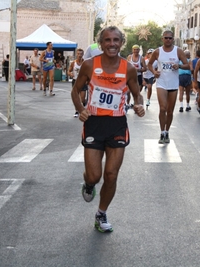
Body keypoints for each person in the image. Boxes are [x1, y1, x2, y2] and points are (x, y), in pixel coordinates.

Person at [70, 26, 145, 233]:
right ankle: (88, 184)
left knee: (111, 174)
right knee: (94, 176)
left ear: (122, 43)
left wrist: (139, 105)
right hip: (94, 123)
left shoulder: (128, 68)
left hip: (117, 124)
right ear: (100, 43)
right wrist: (80, 109)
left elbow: (137, 94)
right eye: (107, 40)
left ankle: (101, 214)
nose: (112, 44)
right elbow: (76, 91)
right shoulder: (89, 65)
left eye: (116, 40)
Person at [147, 30, 189, 143]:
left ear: (173, 39)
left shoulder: (178, 51)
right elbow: (149, 64)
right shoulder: (157, 51)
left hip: (173, 84)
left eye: (170, 38)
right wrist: (154, 72)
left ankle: (167, 132)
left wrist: (179, 65)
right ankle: (161, 132)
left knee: (170, 111)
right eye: (166, 38)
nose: (168, 40)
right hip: (161, 83)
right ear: (162, 39)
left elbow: (188, 65)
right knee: (162, 108)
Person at [68, 48, 87, 117]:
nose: (79, 55)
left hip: (83, 81)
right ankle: (76, 111)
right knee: (76, 97)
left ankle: (85, 103)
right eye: (78, 54)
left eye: (81, 54)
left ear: (83, 55)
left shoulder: (85, 63)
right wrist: (70, 74)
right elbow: (69, 71)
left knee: (82, 98)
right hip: (75, 81)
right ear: (76, 54)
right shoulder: (73, 63)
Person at [126, 44, 146, 111]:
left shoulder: (141, 58)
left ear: (139, 50)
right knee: (127, 91)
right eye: (134, 49)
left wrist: (138, 70)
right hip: (130, 77)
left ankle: (136, 106)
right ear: (132, 50)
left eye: (137, 49)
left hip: (138, 77)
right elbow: (125, 66)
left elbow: (145, 68)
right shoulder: (129, 57)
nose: (136, 51)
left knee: (137, 93)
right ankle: (127, 104)